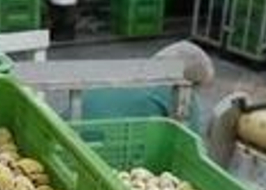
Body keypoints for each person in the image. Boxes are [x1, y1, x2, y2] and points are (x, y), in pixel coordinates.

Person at [80, 41, 215, 128]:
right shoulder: (181, 94)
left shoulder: (128, 70)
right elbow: (191, 145)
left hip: (71, 135)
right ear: (192, 83)